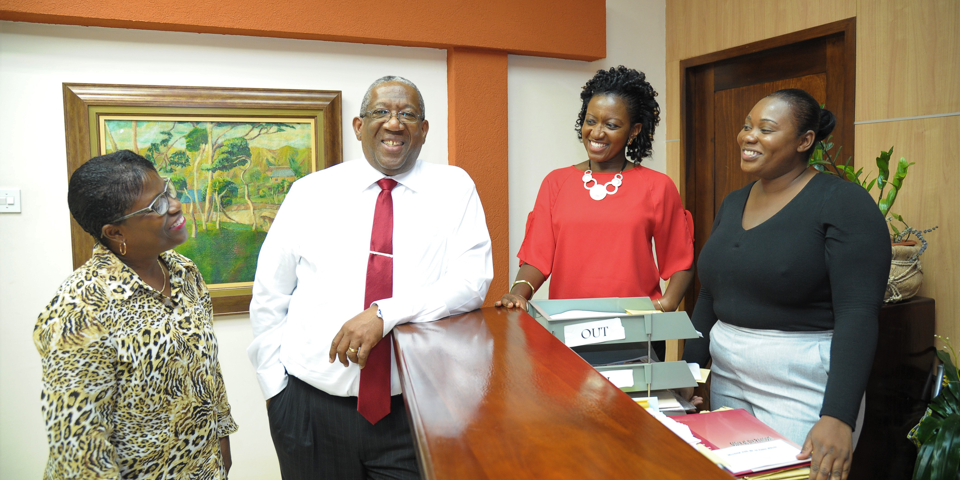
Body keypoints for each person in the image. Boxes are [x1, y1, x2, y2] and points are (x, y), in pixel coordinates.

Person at [248, 76, 493, 479]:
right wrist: (277, 392)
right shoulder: (311, 192)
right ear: (359, 126)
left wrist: (385, 313)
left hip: (413, 415)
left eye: (408, 114)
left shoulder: (454, 188)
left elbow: (471, 282)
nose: (394, 123)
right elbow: (270, 295)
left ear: (424, 130)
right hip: (312, 411)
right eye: (381, 112)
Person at [681, 89, 891, 480]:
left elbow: (858, 312)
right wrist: (688, 373)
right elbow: (711, 293)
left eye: (766, 129)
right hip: (729, 376)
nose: (748, 136)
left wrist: (838, 416)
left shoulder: (843, 202)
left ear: (804, 140)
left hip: (802, 386)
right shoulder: (732, 202)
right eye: (747, 126)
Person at [35, 150, 237, 479]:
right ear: (115, 233)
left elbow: (207, 369)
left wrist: (221, 438)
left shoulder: (185, 273)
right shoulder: (78, 311)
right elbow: (79, 446)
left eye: (167, 191)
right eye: (156, 205)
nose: (174, 205)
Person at [497, 66, 693, 319]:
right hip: (566, 326)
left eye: (611, 125)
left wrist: (667, 304)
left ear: (634, 131)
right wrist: (518, 294)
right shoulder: (556, 182)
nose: (597, 133)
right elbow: (537, 256)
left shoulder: (658, 186)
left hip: (636, 328)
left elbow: (681, 260)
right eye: (591, 121)